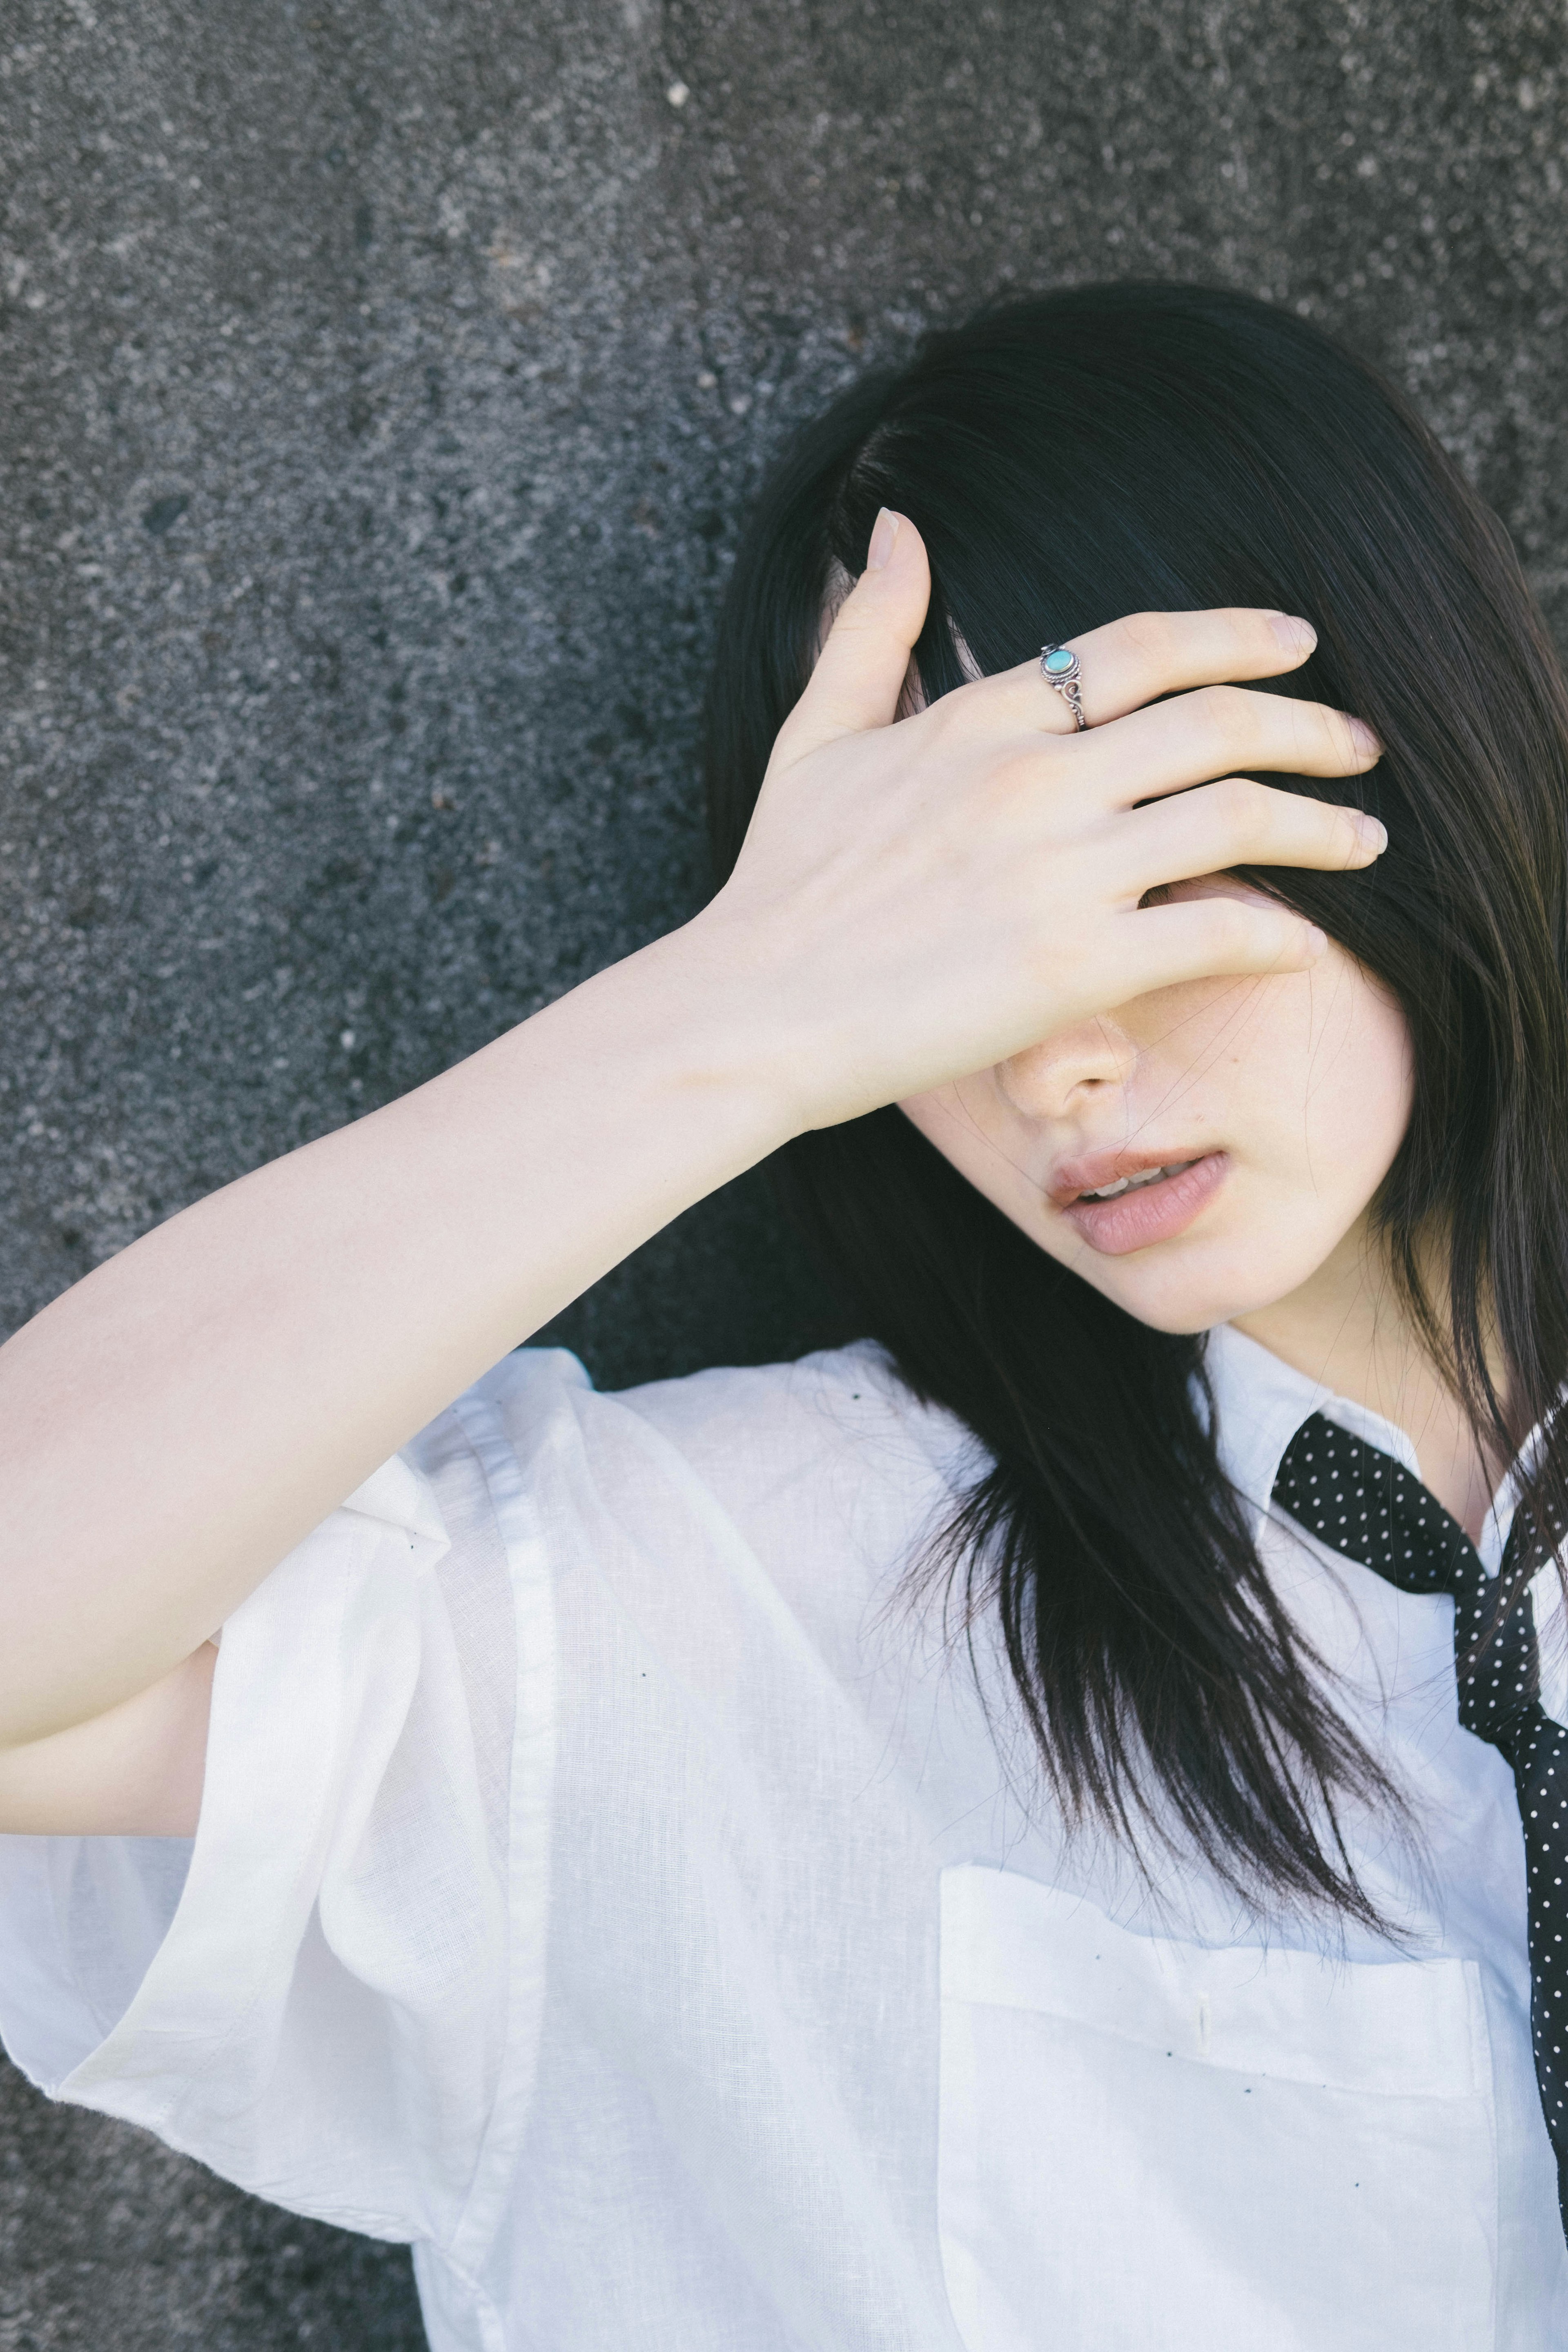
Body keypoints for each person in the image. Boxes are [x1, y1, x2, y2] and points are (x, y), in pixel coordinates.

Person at [0, 279, 1564, 2350]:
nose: (1050, 1060)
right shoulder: (728, 1599)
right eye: (939, 941)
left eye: (1114, 857)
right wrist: (736, 1021)